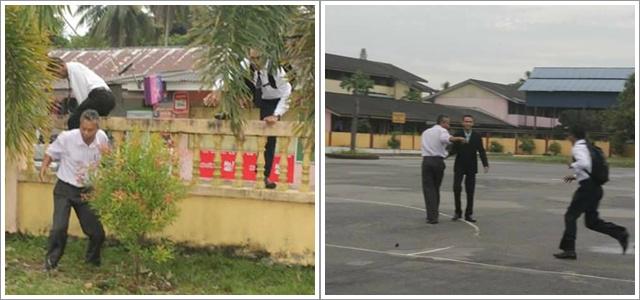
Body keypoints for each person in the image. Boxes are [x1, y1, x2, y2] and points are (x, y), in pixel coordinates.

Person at [203, 48, 292, 189]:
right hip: (259, 93)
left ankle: (263, 176)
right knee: (237, 78)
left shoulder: (276, 70)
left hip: (274, 100)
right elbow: (228, 74)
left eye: (257, 58)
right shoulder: (247, 63)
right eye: (252, 58)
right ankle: (229, 110)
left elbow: (288, 92)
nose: (255, 61)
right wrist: (216, 91)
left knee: (269, 137)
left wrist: (276, 114)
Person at [39, 109, 110, 271]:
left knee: (97, 232)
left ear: (97, 128)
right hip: (64, 188)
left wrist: (109, 156)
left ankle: (92, 262)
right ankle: (51, 263)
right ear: (80, 125)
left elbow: (108, 159)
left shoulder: (102, 138)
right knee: (59, 228)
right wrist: (44, 167)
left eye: (90, 130)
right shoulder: (67, 138)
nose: (86, 132)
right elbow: (51, 152)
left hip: (86, 191)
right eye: (83, 128)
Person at [554, 126, 629, 259]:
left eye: (568, 135)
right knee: (591, 222)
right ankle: (620, 233)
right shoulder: (589, 147)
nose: (567, 138)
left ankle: (569, 250)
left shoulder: (578, 147)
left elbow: (584, 163)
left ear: (573, 136)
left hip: (587, 189)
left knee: (570, 216)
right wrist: (575, 176)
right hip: (595, 188)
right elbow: (590, 168)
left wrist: (572, 165)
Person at [421, 115, 466, 224]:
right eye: (448, 123)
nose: (448, 126)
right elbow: (446, 139)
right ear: (443, 122)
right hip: (437, 161)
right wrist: (458, 138)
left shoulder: (426, 132)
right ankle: (433, 215)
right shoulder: (442, 131)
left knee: (428, 189)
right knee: (435, 188)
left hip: (426, 160)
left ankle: (431, 215)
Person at [49, 57, 115, 130]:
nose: (59, 76)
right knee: (93, 123)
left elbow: (82, 92)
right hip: (109, 98)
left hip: (99, 96)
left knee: (73, 121)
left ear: (62, 65)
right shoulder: (76, 68)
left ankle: (78, 141)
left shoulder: (73, 70)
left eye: (57, 73)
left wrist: (78, 113)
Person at [450, 115, 488, 223]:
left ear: (472, 123)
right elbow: (453, 149)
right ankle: (458, 211)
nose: (468, 123)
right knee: (456, 188)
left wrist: (485, 164)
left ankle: (469, 214)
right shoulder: (458, 134)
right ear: (462, 123)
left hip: (471, 166)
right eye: (466, 121)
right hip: (459, 165)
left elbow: (481, 151)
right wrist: (443, 156)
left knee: (470, 191)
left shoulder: (477, 136)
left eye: (470, 122)